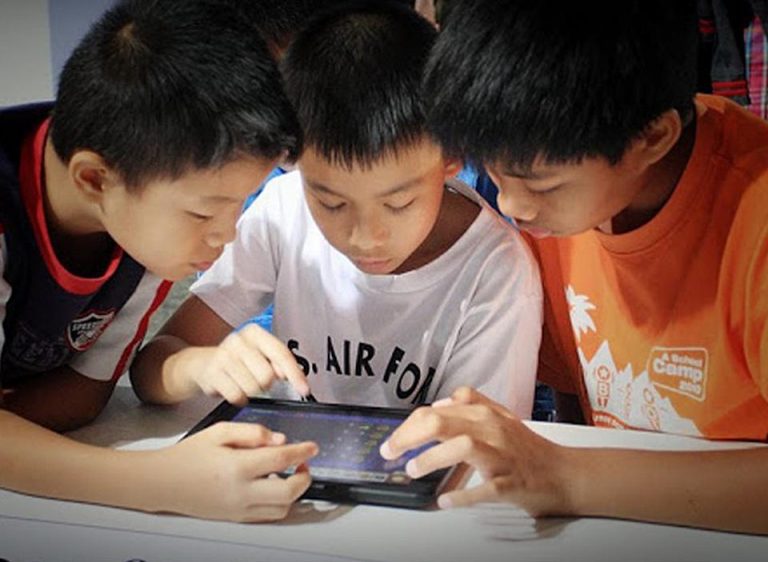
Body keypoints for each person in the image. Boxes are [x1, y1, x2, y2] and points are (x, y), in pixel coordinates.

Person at [380, 0, 768, 535]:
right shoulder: (559, 194)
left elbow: (567, 465)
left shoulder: (753, 217)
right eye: (495, 173)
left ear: (652, 139)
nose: (512, 206)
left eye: (540, 184)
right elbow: (572, 394)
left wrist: (567, 477)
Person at [131, 2, 542, 416]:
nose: (365, 237)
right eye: (332, 203)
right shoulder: (283, 211)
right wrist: (197, 366)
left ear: (451, 158)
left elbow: (485, 442)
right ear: (292, 160)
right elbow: (151, 368)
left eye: (398, 203)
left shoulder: (495, 270)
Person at [0, 0, 319, 522]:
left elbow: (84, 395)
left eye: (239, 204)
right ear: (94, 179)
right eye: (204, 213)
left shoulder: (140, 222)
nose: (227, 235)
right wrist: (160, 482)